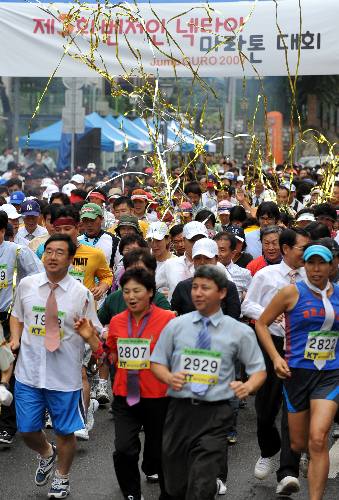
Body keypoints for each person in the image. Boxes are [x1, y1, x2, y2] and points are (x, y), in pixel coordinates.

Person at [151, 265, 266, 499]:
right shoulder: (176, 325)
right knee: (174, 486)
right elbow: (157, 362)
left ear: (222, 292)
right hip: (179, 411)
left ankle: (207, 486)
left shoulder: (238, 331)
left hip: (216, 413)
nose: (198, 293)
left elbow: (259, 370)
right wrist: (169, 377)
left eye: (205, 288)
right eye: (194, 287)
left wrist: (248, 386)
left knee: (201, 483)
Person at [9, 233, 102, 498]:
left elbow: (94, 335)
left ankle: (62, 477)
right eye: (49, 251)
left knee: (64, 431)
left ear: (71, 260)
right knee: (26, 429)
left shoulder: (81, 294)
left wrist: (89, 336)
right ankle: (46, 453)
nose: (52, 256)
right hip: (28, 372)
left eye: (60, 252)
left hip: (64, 377)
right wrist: (15, 337)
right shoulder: (27, 285)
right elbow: (17, 316)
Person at [255, 243, 339, 500]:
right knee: (298, 444)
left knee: (317, 439)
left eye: (321, 263)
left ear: (331, 266)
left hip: (330, 373)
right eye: (311, 263)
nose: (316, 269)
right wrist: (276, 357)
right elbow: (261, 323)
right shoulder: (290, 293)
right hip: (296, 375)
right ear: (304, 265)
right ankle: (307, 457)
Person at [241, 227, 310, 497]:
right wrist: (271, 314)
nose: (307, 253)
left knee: (294, 406)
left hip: (300, 348)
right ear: (286, 249)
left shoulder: (311, 278)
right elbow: (247, 306)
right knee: (267, 408)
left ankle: (288, 471)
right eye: (302, 248)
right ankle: (268, 450)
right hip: (270, 343)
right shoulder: (265, 275)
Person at [105, 268, 175, 500]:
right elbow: (110, 356)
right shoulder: (116, 322)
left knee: (161, 453)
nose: (131, 296)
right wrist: (92, 340)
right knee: (124, 449)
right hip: (126, 396)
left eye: (137, 291)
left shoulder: (168, 319)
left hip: (159, 397)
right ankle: (132, 494)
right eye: (126, 292)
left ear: (151, 292)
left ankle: (168, 493)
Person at [171, 238, 241, 319]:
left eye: (207, 258)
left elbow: (233, 320)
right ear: (193, 260)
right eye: (198, 258)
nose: (202, 262)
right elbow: (174, 316)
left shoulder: (229, 287)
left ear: (217, 259)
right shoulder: (182, 287)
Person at [156, 221, 208, 301]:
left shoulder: (217, 267)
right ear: (184, 240)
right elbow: (152, 289)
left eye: (201, 239)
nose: (197, 244)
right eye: (192, 240)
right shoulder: (170, 264)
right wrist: (161, 295)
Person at [78, 203, 120, 269]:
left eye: (92, 220)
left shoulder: (113, 240)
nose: (89, 224)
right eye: (85, 220)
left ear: (102, 219)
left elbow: (120, 267)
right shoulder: (76, 241)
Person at [214, 232, 252, 300]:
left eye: (222, 250)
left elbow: (253, 298)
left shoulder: (243, 274)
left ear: (233, 253)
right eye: (214, 249)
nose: (217, 254)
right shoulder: (203, 270)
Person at [146, 221, 174, 288]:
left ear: (167, 240)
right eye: (150, 240)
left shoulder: (175, 263)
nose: (154, 245)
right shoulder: (144, 262)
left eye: (158, 240)